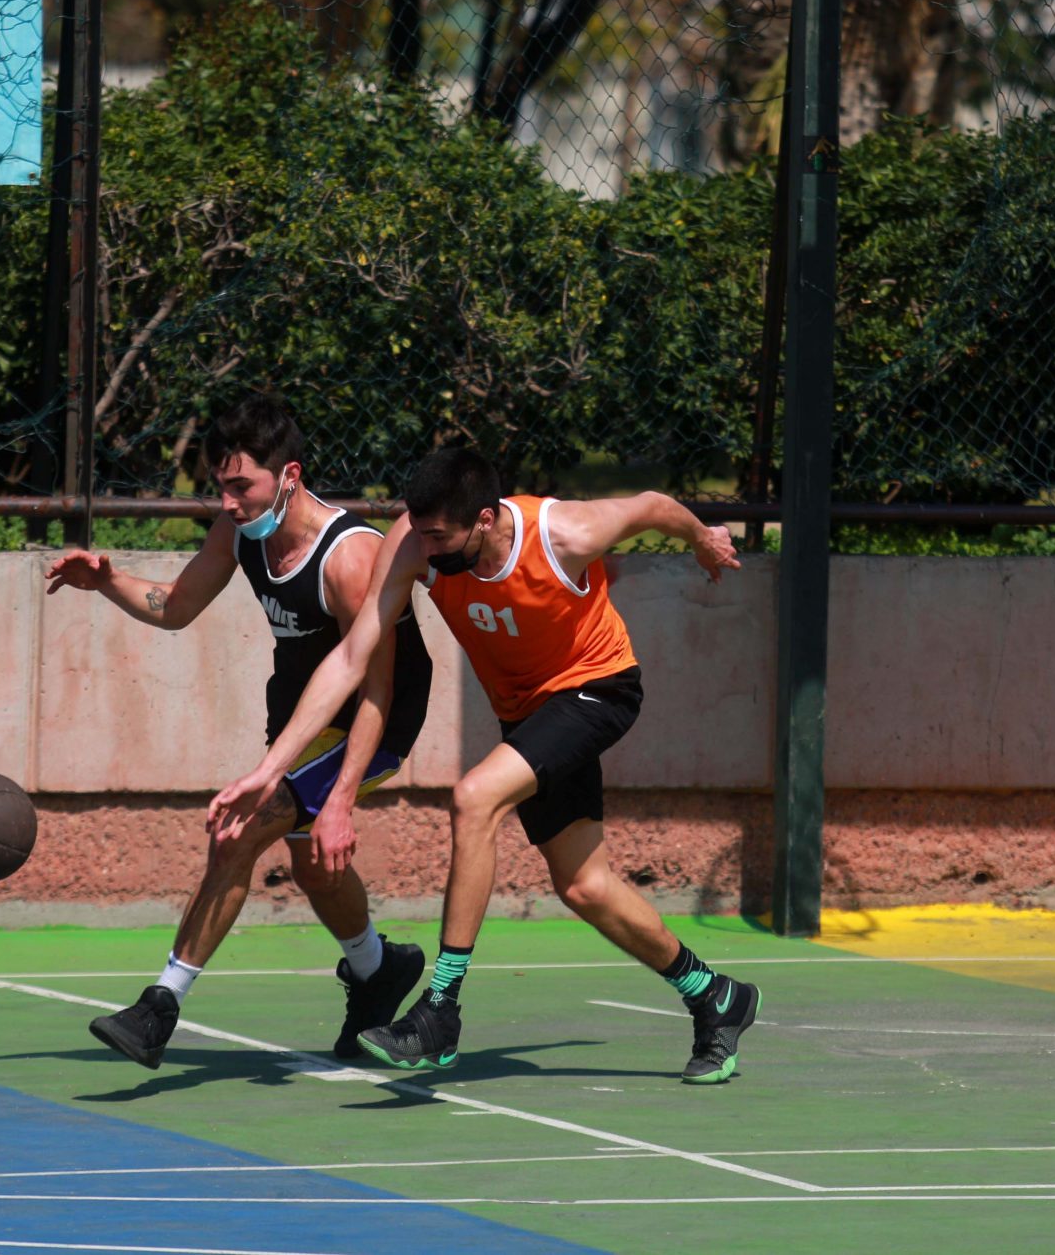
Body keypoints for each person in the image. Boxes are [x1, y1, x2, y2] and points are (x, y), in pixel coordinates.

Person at [208, 446, 759, 1085]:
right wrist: (272, 768)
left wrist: (702, 538)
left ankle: (441, 1007)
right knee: (585, 887)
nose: (428, 550)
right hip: (528, 714)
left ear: (487, 520)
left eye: (443, 536)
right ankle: (717, 996)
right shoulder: (415, 543)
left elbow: (654, 507)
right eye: (422, 532)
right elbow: (355, 654)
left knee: (474, 796)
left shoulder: (565, 533)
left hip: (598, 688)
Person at [44, 393, 431, 1068]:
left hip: (375, 715)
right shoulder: (242, 531)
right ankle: (379, 969)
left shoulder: (350, 560)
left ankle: (159, 1004)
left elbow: (376, 686)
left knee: (240, 828)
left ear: (289, 475)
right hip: (300, 717)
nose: (226, 501)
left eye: (240, 485)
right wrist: (105, 581)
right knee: (313, 867)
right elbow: (176, 606)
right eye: (219, 486)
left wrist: (340, 797)